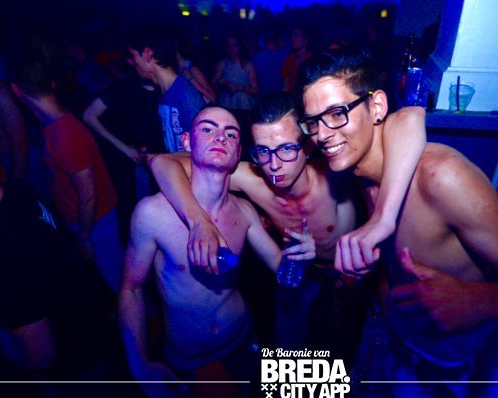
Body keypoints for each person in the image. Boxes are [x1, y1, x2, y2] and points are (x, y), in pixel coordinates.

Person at [296, 50, 498, 398]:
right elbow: (407, 120)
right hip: (384, 338)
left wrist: (480, 299)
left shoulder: (443, 178)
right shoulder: (362, 171)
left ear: (377, 107)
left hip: (439, 373)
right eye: (313, 122)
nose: (323, 134)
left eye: (336, 114)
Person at [150, 92, 426, 362]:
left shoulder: (337, 174)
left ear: (307, 147)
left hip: (348, 277)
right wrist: (198, 219)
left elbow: (409, 119)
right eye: (263, 151)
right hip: (296, 275)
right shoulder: (252, 178)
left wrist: (383, 219)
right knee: (289, 350)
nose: (273, 165)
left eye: (286, 149)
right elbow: (162, 161)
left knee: (341, 350)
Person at [120, 105, 315, 398]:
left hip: (243, 341)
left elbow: (286, 275)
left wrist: (300, 260)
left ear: (238, 153)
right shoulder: (152, 213)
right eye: (208, 129)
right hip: (188, 359)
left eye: (231, 133)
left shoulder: (245, 213)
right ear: (187, 141)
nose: (220, 137)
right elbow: (131, 289)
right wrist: (138, 362)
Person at [6, 45, 124, 291]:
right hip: (87, 218)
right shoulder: (52, 123)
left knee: (119, 282)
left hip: (96, 221)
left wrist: (85, 236)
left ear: (16, 90)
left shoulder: (65, 135)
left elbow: (89, 195)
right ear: (51, 83)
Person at [83, 49, 163, 240]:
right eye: (138, 57)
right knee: (148, 215)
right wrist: (125, 149)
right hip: (145, 162)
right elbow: (89, 115)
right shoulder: (124, 86)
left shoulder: (167, 83)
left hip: (173, 159)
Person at [128, 28, 205, 153]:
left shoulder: (184, 93)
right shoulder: (163, 92)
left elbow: (203, 149)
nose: (132, 63)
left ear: (147, 54)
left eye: (134, 56)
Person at [212, 35, 258, 112]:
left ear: (239, 47)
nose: (232, 48)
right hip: (227, 103)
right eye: (229, 45)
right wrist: (222, 82)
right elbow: (213, 85)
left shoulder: (247, 65)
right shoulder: (223, 63)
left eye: (234, 45)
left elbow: (255, 90)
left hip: (244, 104)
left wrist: (240, 88)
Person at [282, 27, 311, 93]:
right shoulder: (289, 60)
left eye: (296, 36)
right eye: (292, 36)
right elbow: (285, 86)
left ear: (305, 40)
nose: (293, 39)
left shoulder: (311, 59)